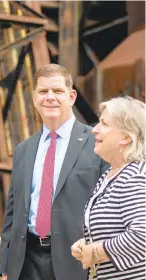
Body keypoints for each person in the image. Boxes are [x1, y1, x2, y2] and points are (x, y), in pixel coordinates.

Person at [0, 64, 109, 280]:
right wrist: (5, 267)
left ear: (72, 96)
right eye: (43, 91)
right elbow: (12, 212)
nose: (50, 97)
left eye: (57, 91)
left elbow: (109, 205)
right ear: (34, 98)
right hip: (25, 263)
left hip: (76, 262)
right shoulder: (23, 150)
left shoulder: (96, 143)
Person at [71, 97, 146, 280]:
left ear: (126, 137)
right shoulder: (110, 176)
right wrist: (86, 243)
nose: (95, 129)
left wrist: (96, 252)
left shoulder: (134, 177)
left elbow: (142, 236)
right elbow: (114, 229)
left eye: (104, 124)